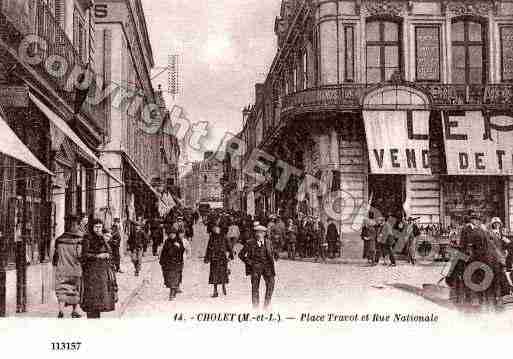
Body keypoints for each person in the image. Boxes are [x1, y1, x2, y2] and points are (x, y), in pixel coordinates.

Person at [80, 219, 117, 319]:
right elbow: (84, 255)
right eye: (96, 227)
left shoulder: (102, 238)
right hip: (91, 273)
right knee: (92, 299)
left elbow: (109, 251)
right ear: (92, 227)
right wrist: (98, 256)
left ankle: (96, 318)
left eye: (100, 227)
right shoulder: (87, 238)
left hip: (102, 273)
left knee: (100, 299)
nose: (98, 229)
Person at [239, 225, 277, 309]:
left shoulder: (268, 242)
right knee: (255, 288)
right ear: (255, 233)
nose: (259, 234)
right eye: (257, 232)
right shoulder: (250, 243)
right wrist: (249, 262)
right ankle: (255, 307)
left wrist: (275, 255)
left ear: (265, 234)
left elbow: (272, 252)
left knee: (271, 284)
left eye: (261, 232)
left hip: (267, 268)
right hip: (255, 268)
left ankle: (266, 306)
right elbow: (241, 255)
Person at [53, 214, 83, 318]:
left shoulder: (59, 239)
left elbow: (55, 257)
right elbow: (80, 255)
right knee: (75, 290)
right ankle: (75, 310)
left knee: (62, 290)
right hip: (75, 269)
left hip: (62, 269)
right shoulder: (80, 240)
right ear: (77, 225)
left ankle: (61, 310)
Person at [204, 221, 234, 297]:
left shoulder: (224, 236)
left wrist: (231, 255)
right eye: (214, 228)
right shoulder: (212, 237)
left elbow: (229, 246)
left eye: (217, 228)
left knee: (223, 274)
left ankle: (223, 286)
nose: (215, 229)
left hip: (223, 258)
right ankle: (215, 291)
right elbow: (209, 247)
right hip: (214, 258)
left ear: (220, 228)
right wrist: (207, 257)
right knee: (214, 275)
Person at [160, 228, 185, 301]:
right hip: (167, 263)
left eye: (173, 234)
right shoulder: (167, 241)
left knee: (174, 278)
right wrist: (162, 261)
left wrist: (178, 246)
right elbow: (163, 252)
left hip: (176, 263)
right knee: (168, 278)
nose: (172, 235)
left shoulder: (178, 241)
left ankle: (172, 293)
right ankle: (173, 290)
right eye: (170, 234)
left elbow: (182, 250)